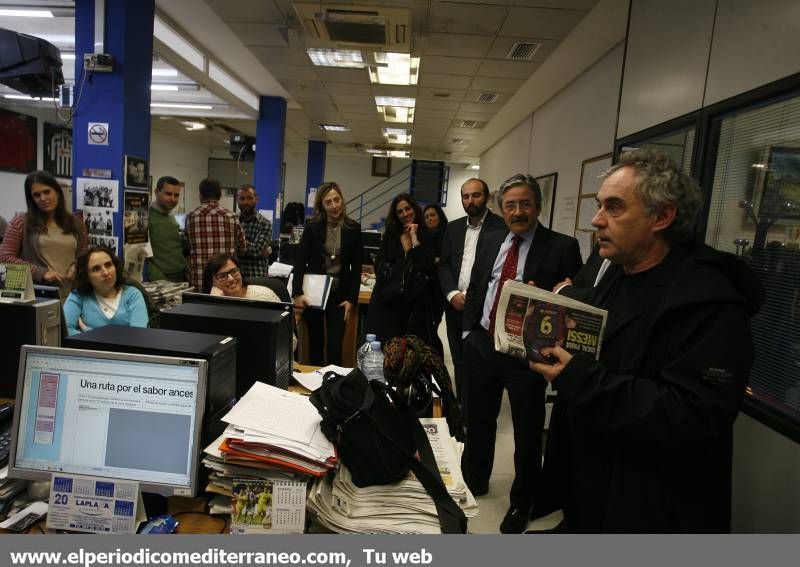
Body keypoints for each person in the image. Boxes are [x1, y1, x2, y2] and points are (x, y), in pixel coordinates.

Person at [531, 150, 763, 533]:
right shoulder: (619, 274)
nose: (596, 220)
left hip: (653, 508)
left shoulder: (710, 302)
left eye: (614, 207)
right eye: (598, 205)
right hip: (595, 490)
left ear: (663, 216)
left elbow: (692, 413)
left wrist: (579, 377)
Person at [461, 173, 582, 533]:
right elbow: (479, 286)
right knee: (478, 420)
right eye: (510, 204)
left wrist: (559, 294)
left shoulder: (562, 246)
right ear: (501, 208)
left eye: (525, 203)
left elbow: (575, 302)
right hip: (483, 344)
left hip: (526, 354)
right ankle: (474, 481)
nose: (518, 211)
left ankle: (522, 500)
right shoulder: (492, 240)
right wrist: (468, 333)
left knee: (527, 432)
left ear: (538, 206)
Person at [438, 178, 506, 400]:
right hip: (455, 306)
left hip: (482, 309)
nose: (470, 200)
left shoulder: (502, 227)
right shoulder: (453, 228)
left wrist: (472, 296)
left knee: (480, 363)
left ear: (486, 197)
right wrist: (452, 294)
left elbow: (500, 269)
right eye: (466, 196)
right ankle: (463, 411)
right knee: (458, 360)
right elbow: (444, 264)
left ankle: (477, 410)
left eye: (476, 195)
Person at [292, 182, 363, 366]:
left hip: (340, 295)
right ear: (321, 206)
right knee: (316, 344)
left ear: (342, 200)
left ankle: (334, 387)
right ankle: (316, 387)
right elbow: (299, 261)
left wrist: (352, 299)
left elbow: (356, 268)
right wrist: (297, 293)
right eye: (328, 202)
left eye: (336, 200)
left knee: (334, 346)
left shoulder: (353, 228)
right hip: (314, 293)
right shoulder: (312, 227)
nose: (334, 205)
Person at [365, 193, 438, 345]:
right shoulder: (391, 235)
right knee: (386, 345)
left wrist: (414, 238)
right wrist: (404, 266)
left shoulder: (428, 235)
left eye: (407, 209)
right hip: (388, 300)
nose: (405, 214)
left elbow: (425, 266)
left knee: (409, 351)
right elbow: (379, 264)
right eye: (400, 211)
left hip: (414, 304)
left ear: (415, 209)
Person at [0, 170, 87, 295]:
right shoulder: (21, 222)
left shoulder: (76, 224)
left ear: (57, 192)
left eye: (47, 192)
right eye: (36, 195)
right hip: (37, 294)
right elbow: (4, 258)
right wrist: (41, 272)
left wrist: (77, 266)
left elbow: (84, 256)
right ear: (31, 199)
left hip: (71, 294)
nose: (43, 198)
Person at [204, 254, 298, 350]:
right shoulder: (207, 309)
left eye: (234, 271)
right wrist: (216, 306)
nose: (231, 279)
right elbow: (209, 348)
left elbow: (291, 342)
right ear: (211, 283)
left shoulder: (264, 296)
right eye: (222, 276)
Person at [64, 246, 148, 335]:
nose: (105, 272)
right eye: (96, 269)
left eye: (108, 265)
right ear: (86, 276)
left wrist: (87, 331)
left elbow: (138, 336)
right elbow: (65, 330)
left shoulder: (133, 295)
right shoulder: (78, 295)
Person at [184, 178, 245, 290]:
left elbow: (187, 247)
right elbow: (242, 248)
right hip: (226, 280)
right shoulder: (231, 216)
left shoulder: (190, 217)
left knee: (201, 307)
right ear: (220, 195)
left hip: (199, 280)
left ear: (200, 195)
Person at [147, 175, 188, 282]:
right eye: (168, 194)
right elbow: (142, 255)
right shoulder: (147, 217)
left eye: (176, 195)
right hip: (163, 281)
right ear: (156, 192)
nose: (173, 199)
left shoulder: (170, 215)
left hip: (180, 277)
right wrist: (160, 280)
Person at [235, 184, 272, 280]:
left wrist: (236, 244)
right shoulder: (233, 221)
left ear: (256, 199)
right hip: (235, 277)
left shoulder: (265, 223)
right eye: (242, 198)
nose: (246, 202)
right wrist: (259, 251)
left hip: (256, 277)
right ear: (237, 200)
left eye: (249, 198)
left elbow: (255, 250)